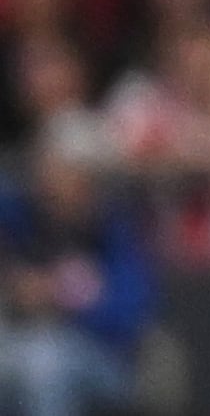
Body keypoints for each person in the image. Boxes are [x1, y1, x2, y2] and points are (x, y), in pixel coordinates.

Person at [0, 124, 158, 416]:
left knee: (43, 362)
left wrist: (60, 295)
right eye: (43, 168)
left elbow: (129, 320)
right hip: (25, 343)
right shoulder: (25, 214)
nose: (46, 180)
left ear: (86, 178)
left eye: (58, 170)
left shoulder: (116, 232)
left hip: (106, 359)